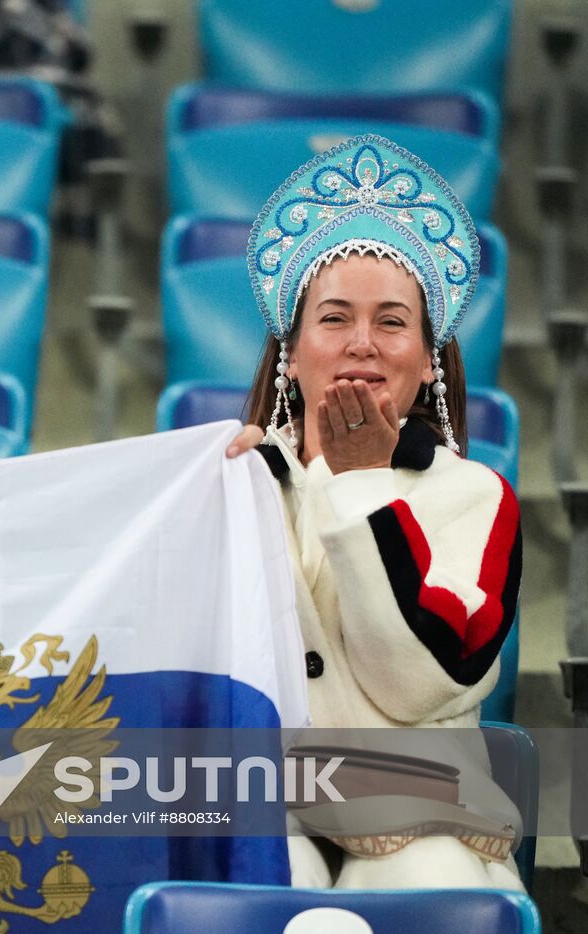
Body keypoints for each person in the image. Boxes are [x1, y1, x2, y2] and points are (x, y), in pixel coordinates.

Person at [230, 135, 523, 889]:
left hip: (427, 821)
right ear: (290, 352)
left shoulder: (476, 496)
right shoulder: (232, 481)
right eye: (334, 319)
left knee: (423, 876)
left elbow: (416, 683)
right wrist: (213, 497)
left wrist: (361, 488)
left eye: (392, 321)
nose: (363, 343)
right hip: (263, 810)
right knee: (261, 877)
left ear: (428, 357)